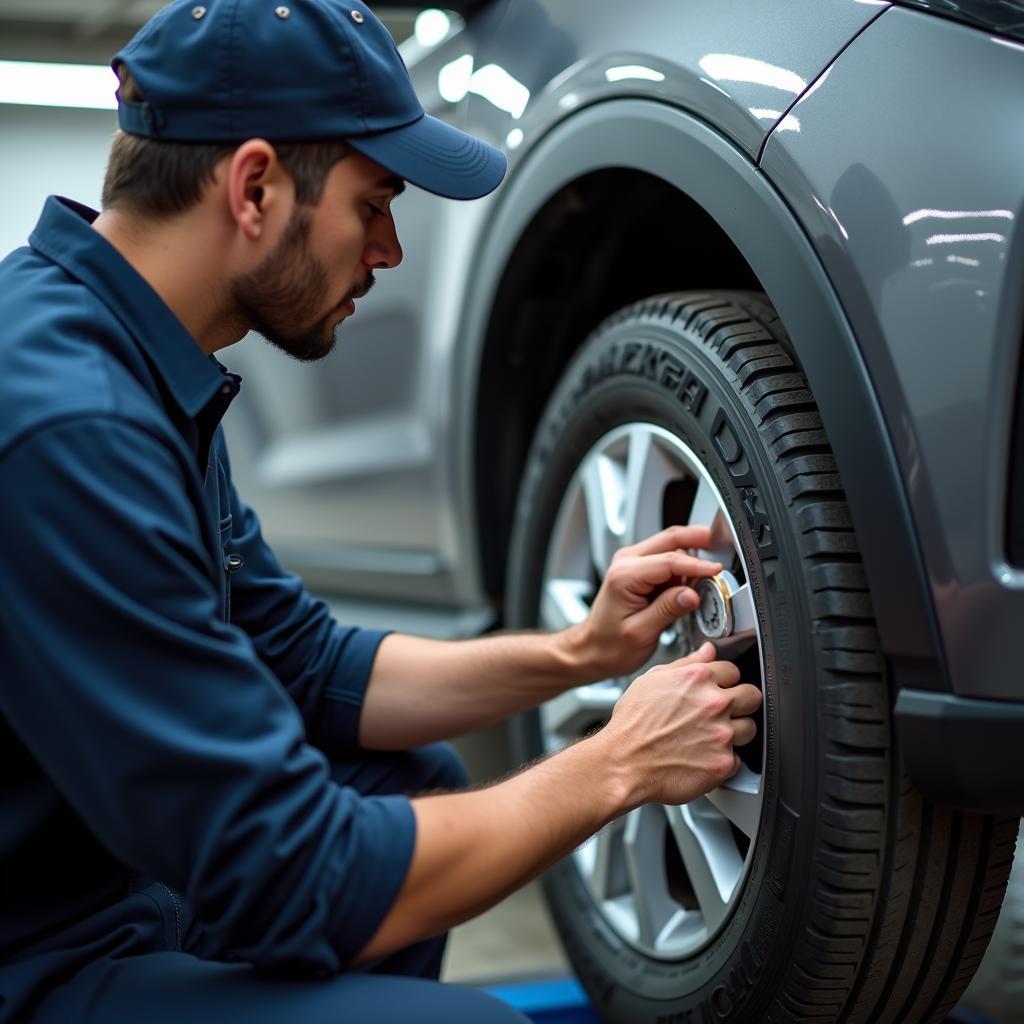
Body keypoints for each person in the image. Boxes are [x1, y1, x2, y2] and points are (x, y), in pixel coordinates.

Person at [0, 1, 763, 1021]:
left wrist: (579, 652)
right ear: (256, 186)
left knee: (409, 779)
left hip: (94, 884)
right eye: (374, 202)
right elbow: (290, 875)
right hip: (32, 956)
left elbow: (309, 666)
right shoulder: (72, 426)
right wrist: (615, 764)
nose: (390, 248)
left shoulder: (126, 358)